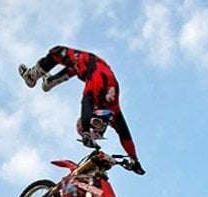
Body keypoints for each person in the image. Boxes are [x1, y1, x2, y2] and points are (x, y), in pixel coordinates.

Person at [19, 45, 145, 175]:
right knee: (60, 55)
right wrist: (134, 159)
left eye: (97, 126)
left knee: (66, 61)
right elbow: (124, 134)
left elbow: (88, 104)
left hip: (87, 65)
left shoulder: (102, 101)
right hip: (89, 64)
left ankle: (45, 81)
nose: (102, 125)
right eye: (100, 126)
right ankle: (33, 77)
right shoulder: (112, 110)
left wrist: (86, 131)